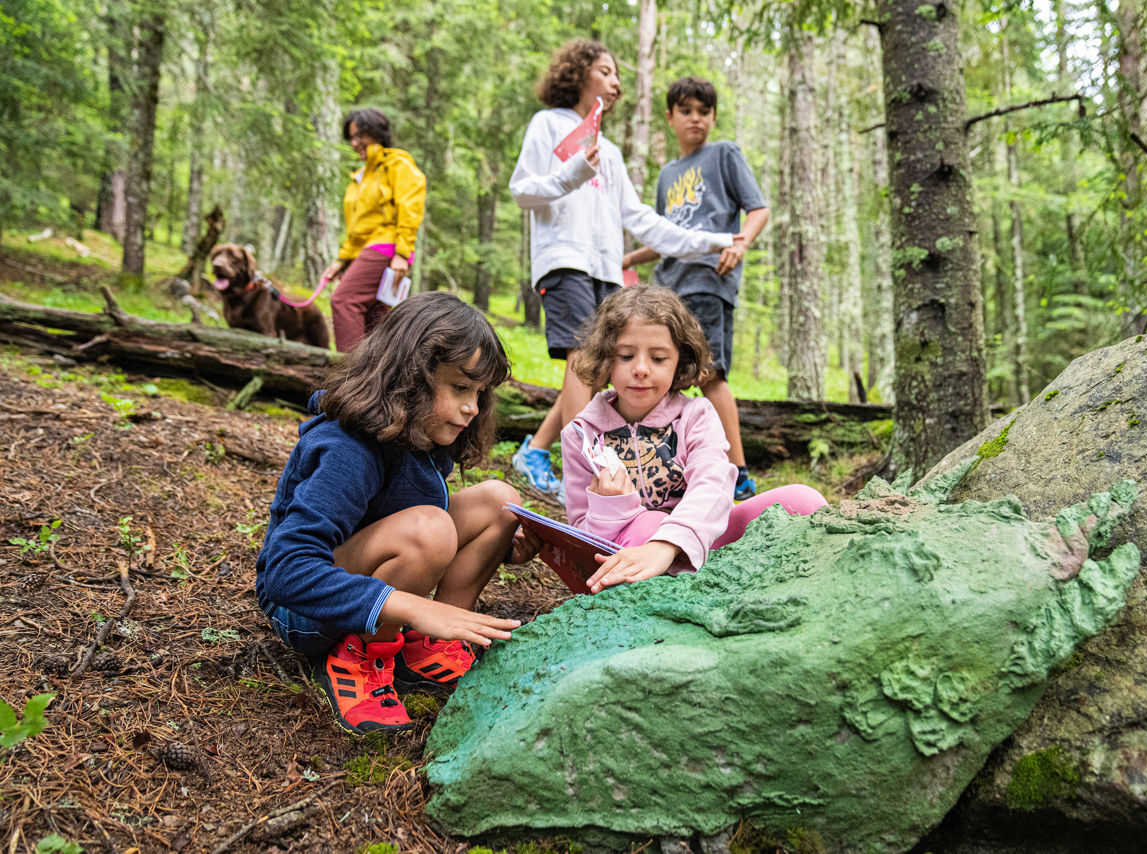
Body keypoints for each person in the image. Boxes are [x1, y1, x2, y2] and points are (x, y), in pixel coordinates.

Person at [255, 292, 539, 735]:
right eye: (460, 388)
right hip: (305, 610)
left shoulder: (423, 434)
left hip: (372, 573)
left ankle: (431, 643)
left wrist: (501, 549)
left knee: (499, 502)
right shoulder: (346, 449)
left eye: (480, 393)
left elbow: (402, 517)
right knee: (430, 530)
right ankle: (363, 658)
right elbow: (286, 571)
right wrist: (408, 605)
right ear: (409, 377)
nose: (473, 408)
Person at [508, 40, 739, 504]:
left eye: (617, 77)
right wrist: (571, 173)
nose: (616, 84)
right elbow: (523, 191)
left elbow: (643, 221)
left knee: (596, 366)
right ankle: (591, 481)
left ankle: (552, 456)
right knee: (580, 360)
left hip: (606, 269)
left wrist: (717, 240)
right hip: (564, 259)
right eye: (607, 71)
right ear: (578, 73)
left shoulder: (608, 151)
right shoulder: (548, 125)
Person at [561, 285, 827, 593]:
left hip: (703, 542)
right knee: (647, 523)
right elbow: (578, 538)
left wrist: (668, 543)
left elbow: (712, 484)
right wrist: (611, 507)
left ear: (680, 362)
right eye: (626, 355)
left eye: (659, 358)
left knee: (801, 500)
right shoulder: (581, 434)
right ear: (605, 358)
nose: (641, 369)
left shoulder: (696, 415)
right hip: (629, 556)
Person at [622, 76, 770, 501]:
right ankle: (670, 467)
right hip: (667, 289)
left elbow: (758, 209)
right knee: (668, 377)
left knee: (708, 373)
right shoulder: (668, 173)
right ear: (670, 117)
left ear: (713, 117)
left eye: (704, 112)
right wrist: (632, 259)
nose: (696, 119)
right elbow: (668, 236)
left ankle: (738, 472)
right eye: (686, 111)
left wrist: (740, 243)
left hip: (709, 279)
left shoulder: (724, 154)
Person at [319, 107, 426, 353]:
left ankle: (350, 377)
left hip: (387, 246)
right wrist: (342, 260)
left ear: (377, 132)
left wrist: (402, 252)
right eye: (351, 138)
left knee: (344, 300)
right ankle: (380, 381)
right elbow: (359, 230)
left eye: (360, 136)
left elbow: (410, 207)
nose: (355, 143)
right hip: (368, 247)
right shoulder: (361, 176)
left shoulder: (397, 164)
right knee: (375, 318)